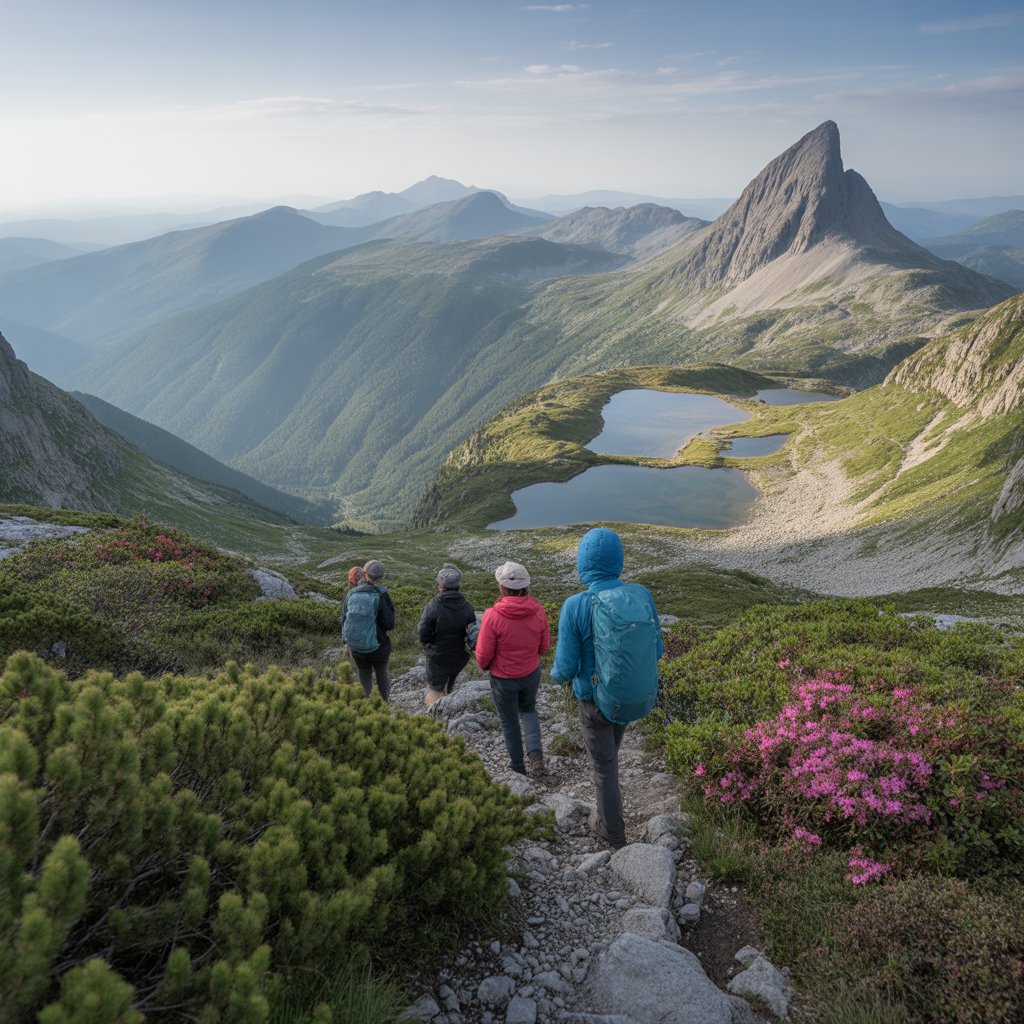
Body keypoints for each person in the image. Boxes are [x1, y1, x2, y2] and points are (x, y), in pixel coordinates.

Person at [550, 527, 661, 848]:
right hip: (627, 695)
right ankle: (608, 817)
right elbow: (657, 651)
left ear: (584, 562)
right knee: (611, 754)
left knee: (604, 767)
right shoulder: (641, 594)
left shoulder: (575, 605)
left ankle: (611, 831)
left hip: (593, 701)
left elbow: (564, 669)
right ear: (617, 560)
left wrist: (558, 676)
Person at [475, 561, 551, 777]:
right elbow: (544, 646)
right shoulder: (538, 610)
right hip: (530, 674)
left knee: (509, 721)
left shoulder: (492, 615)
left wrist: (485, 666)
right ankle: (536, 758)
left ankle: (518, 769)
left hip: (503, 679)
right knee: (528, 710)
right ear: (525, 586)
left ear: (502, 587)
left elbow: (483, 655)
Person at [418, 564, 477, 708]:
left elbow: (423, 634)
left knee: (436, 688)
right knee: (450, 684)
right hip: (459, 657)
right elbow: (472, 633)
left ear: (440, 586)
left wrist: (429, 646)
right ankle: (449, 703)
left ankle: (435, 716)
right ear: (458, 586)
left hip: (437, 657)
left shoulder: (433, 606)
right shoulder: (467, 607)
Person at [340, 559, 395, 701]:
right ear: (381, 577)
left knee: (364, 673)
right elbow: (389, 624)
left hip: (356, 647)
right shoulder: (382, 595)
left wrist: (345, 642)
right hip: (378, 646)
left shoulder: (351, 594)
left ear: (365, 574)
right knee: (381, 672)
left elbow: (343, 619)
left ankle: (367, 703)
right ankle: (383, 704)